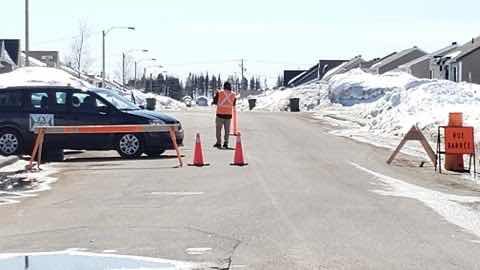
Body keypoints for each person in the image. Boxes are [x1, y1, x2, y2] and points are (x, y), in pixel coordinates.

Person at [212, 82, 237, 149]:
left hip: (220, 114)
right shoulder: (233, 94)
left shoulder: (219, 93)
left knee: (218, 130)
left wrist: (215, 96)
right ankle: (226, 143)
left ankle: (218, 143)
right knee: (227, 130)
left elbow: (214, 102)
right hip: (228, 115)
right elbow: (234, 104)